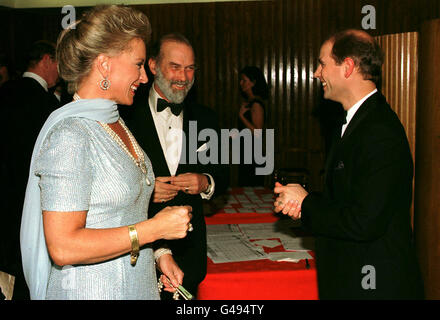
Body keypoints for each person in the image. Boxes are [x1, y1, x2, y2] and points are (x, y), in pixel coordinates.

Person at [19, 5, 192, 300]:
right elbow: (64, 247)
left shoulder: (114, 121)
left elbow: (122, 213)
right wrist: (152, 231)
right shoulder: (71, 134)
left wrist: (159, 253)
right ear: (105, 65)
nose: (145, 77)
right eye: (138, 64)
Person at [274, 29, 424, 299]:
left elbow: (364, 222)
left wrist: (307, 203)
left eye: (322, 64)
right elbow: (346, 200)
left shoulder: (380, 131)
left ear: (348, 66)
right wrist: (303, 203)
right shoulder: (354, 122)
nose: (316, 73)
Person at [121, 33, 228, 298]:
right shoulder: (124, 117)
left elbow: (223, 174)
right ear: (154, 66)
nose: (183, 77)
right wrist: (146, 190)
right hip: (136, 256)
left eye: (190, 68)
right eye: (175, 67)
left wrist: (206, 181)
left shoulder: (206, 118)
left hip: (189, 254)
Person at [0, 40, 62, 300]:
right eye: (58, 63)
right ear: (46, 60)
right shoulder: (49, 107)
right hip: (30, 211)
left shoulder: (3, 92)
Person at [237, 66, 268, 186]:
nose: (241, 83)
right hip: (247, 153)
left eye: (244, 80)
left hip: (254, 155)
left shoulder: (256, 104)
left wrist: (242, 117)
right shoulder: (250, 102)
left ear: (253, 83)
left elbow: (257, 132)